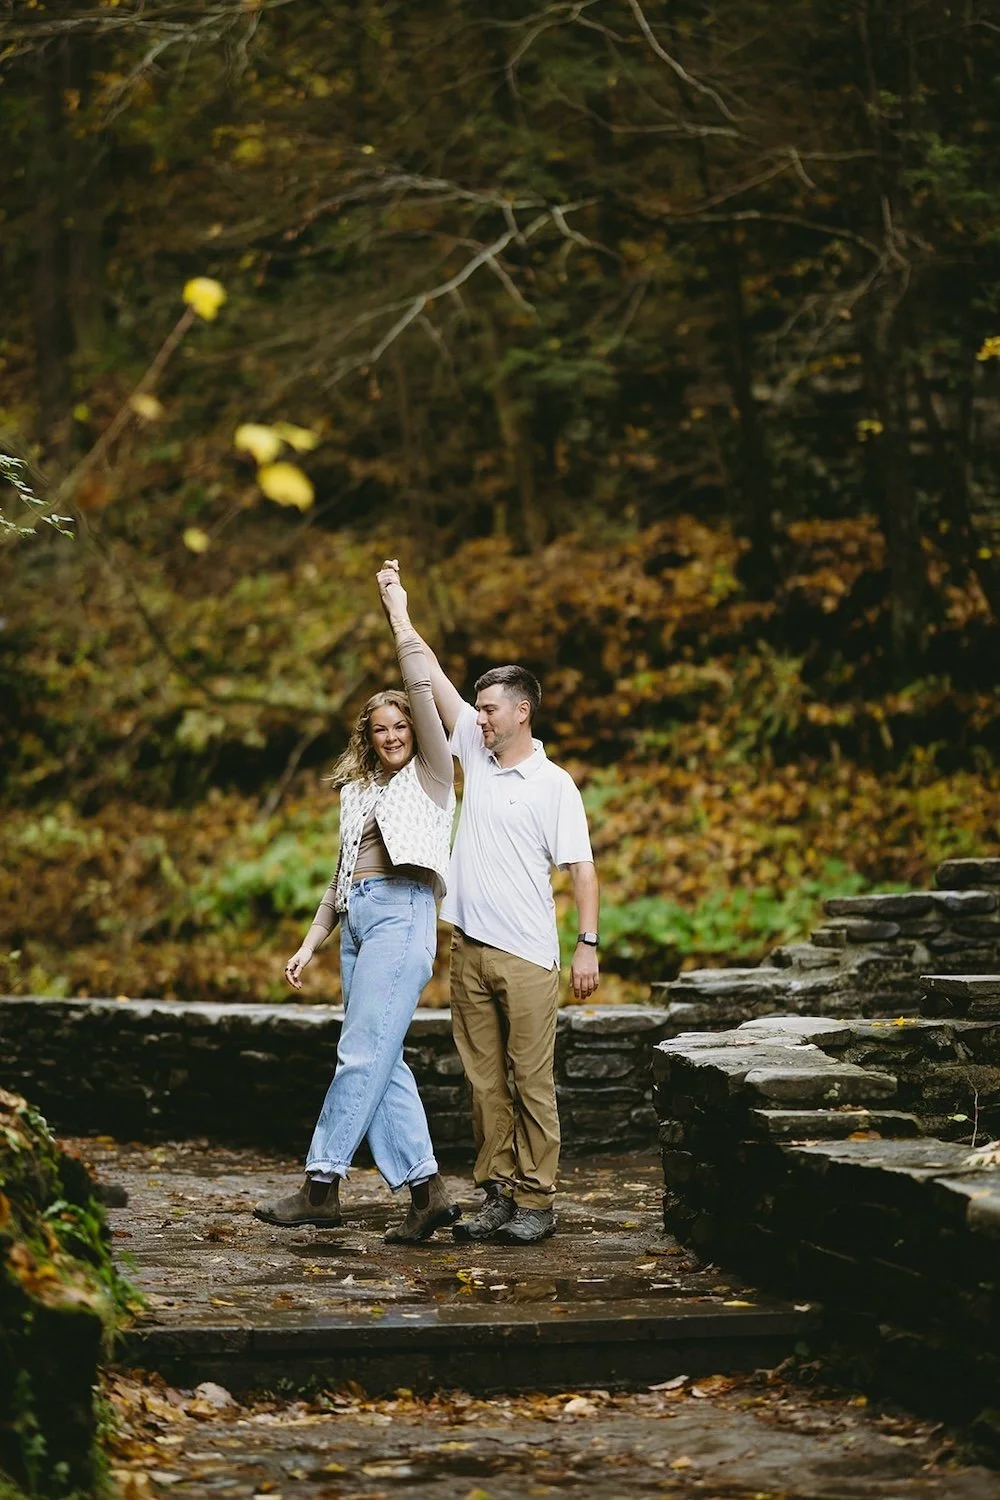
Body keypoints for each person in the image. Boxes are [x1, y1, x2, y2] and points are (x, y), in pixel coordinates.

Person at [378, 559, 600, 1246]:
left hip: (530, 954)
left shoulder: (554, 783)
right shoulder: (472, 748)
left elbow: (582, 871)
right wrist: (397, 607)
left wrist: (589, 947)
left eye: (491, 707)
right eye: (478, 708)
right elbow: (429, 673)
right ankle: (499, 1191)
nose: (479, 715)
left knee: (532, 1083)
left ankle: (538, 1199)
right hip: (468, 949)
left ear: (522, 711)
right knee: (483, 1085)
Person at [254, 567, 460, 1243]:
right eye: (381, 728)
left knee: (360, 1056)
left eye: (401, 723)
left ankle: (321, 1184)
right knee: (381, 1055)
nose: (393, 734)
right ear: (367, 736)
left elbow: (423, 686)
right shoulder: (359, 792)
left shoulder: (432, 772)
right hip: (359, 922)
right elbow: (340, 876)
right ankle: (428, 1192)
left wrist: (397, 614)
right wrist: (311, 941)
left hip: (403, 913)